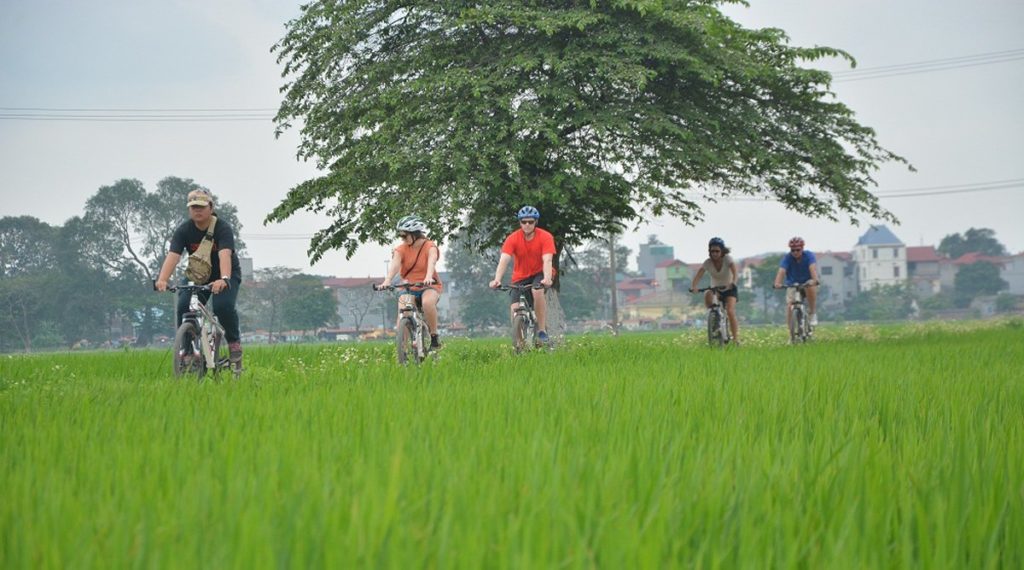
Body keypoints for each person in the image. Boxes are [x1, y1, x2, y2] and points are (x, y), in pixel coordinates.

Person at [155, 188, 243, 372]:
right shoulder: (184, 230)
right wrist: (162, 279)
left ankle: (234, 342)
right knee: (184, 306)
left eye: (202, 206)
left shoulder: (222, 228)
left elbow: (225, 255)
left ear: (211, 207)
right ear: (189, 209)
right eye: (193, 207)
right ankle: (187, 350)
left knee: (222, 307)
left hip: (225, 274)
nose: (197, 210)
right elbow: (173, 256)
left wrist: (224, 279)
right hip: (198, 274)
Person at [488, 205, 556, 343]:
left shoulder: (545, 237)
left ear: (535, 222)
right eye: (524, 222)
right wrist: (497, 280)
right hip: (520, 276)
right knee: (514, 308)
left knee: (537, 291)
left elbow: (547, 260)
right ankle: (519, 341)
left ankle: (542, 330)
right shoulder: (513, 238)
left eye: (530, 222)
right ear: (520, 223)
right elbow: (504, 259)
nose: (527, 225)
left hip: (540, 273)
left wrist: (547, 278)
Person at [378, 215, 444, 349]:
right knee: (403, 311)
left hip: (429, 285)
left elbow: (431, 262)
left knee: (427, 303)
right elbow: (395, 265)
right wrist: (387, 280)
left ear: (415, 234)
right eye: (400, 236)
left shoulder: (430, 246)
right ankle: (403, 348)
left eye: (404, 236)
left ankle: (434, 336)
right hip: (409, 286)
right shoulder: (401, 249)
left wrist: (428, 277)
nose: (402, 239)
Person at [689, 237, 740, 344]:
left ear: (722, 251)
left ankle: (736, 339)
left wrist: (734, 283)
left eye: (717, 251)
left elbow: (735, 272)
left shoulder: (728, 259)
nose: (715, 253)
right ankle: (714, 319)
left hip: (729, 288)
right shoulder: (708, 263)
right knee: (708, 294)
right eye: (712, 251)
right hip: (715, 288)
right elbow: (699, 275)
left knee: (730, 311)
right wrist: (694, 286)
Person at [773, 236, 819, 328]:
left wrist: (815, 280)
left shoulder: (809, 255)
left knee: (810, 287)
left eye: (798, 250)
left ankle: (812, 313)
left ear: (802, 248)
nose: (795, 252)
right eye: (792, 250)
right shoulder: (787, 258)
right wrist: (777, 283)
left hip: (807, 283)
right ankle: (791, 332)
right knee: (790, 306)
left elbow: (812, 268)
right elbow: (782, 271)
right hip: (793, 284)